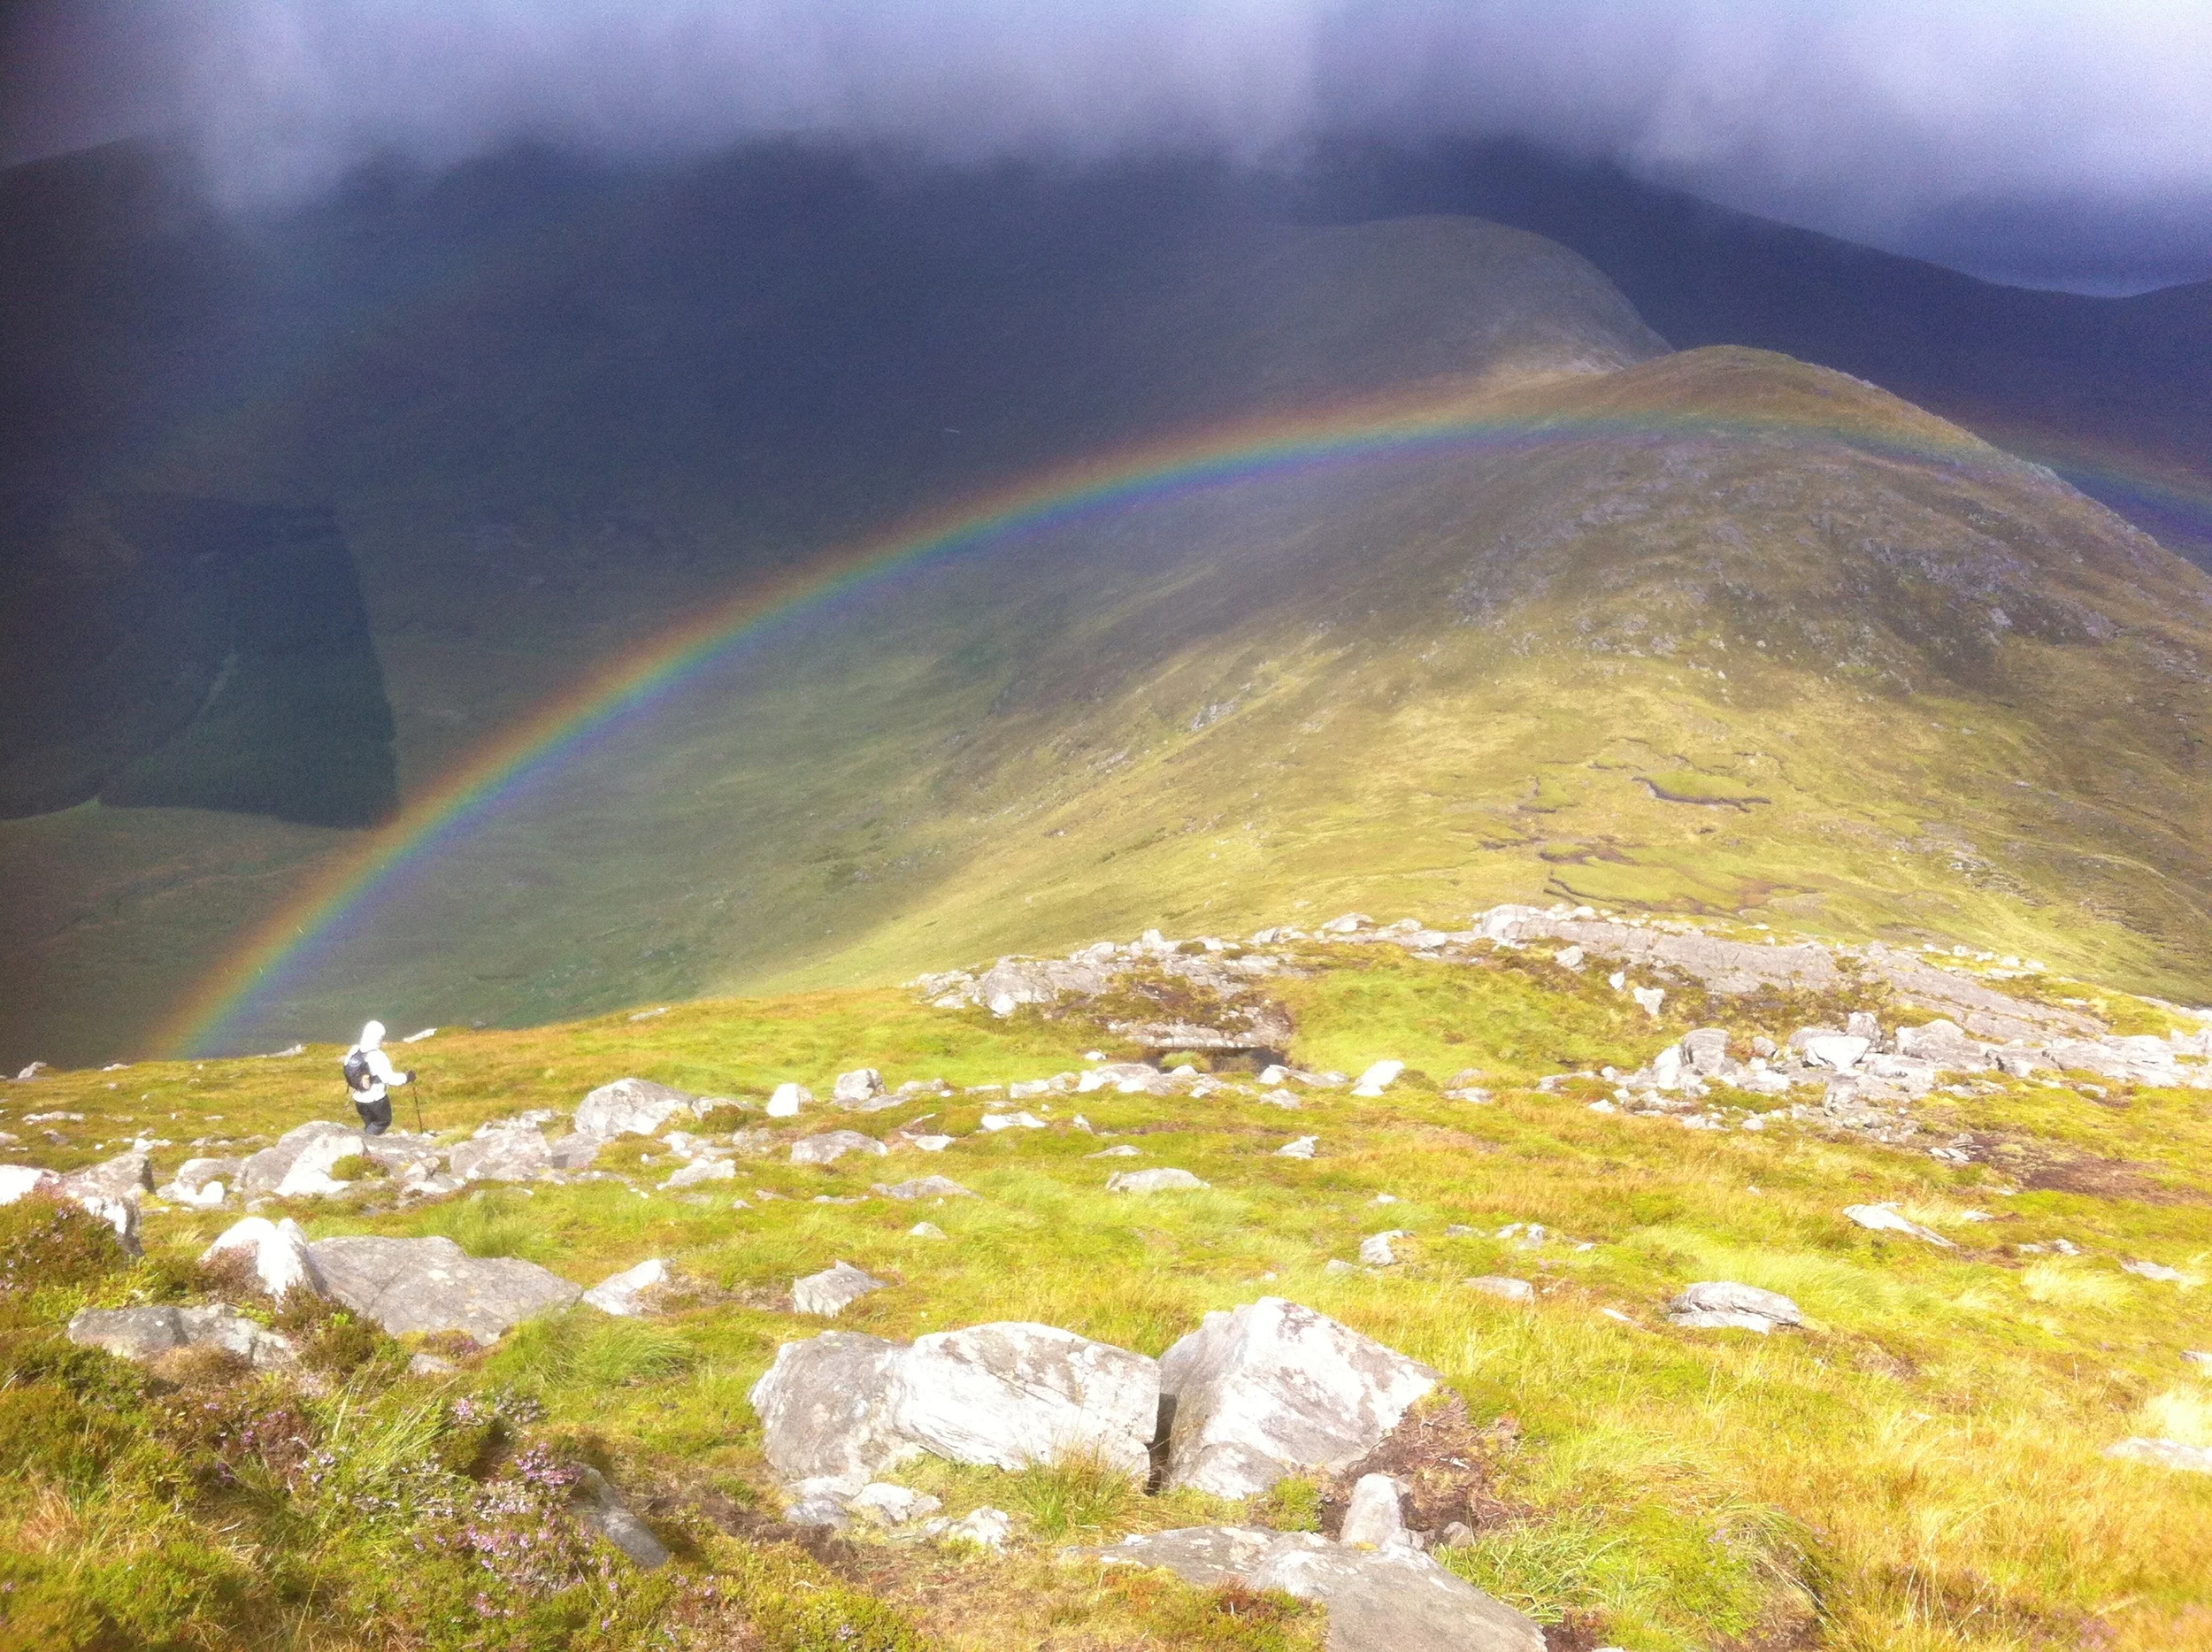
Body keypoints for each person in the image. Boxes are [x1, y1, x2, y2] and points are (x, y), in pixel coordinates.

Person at [342, 1020, 414, 1136]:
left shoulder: (354, 1050)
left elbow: (347, 1068)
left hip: (358, 1098)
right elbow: (390, 1079)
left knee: (369, 1123)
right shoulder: (377, 1056)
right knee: (383, 1122)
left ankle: (369, 1140)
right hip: (376, 1099)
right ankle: (367, 1140)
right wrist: (407, 1078)